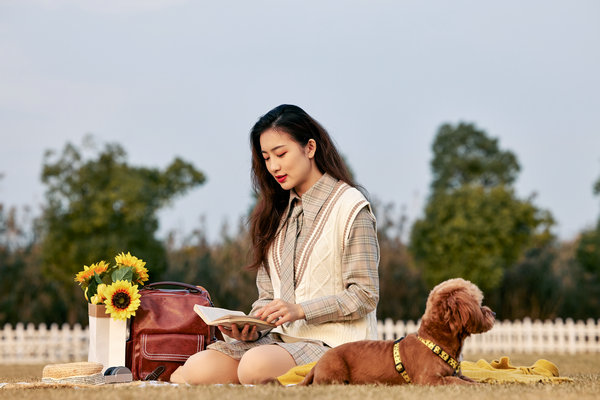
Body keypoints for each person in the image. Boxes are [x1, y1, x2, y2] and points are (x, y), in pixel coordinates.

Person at [170, 104, 379, 385]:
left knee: (255, 367)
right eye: (266, 158)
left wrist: (300, 310)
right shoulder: (276, 214)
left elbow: (365, 294)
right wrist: (252, 327)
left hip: (334, 345)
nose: (274, 167)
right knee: (196, 368)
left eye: (281, 154)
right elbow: (267, 297)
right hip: (276, 341)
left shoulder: (351, 207)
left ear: (310, 148)